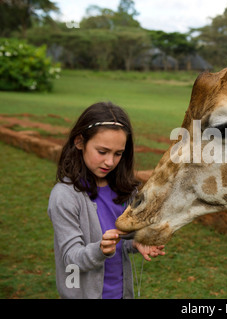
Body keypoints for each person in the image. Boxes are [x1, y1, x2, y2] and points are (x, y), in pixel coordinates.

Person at [48, 102, 165, 299]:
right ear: (79, 142)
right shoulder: (64, 196)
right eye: (102, 152)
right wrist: (100, 249)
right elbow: (71, 258)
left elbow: (120, 243)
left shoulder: (125, 191)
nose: (110, 162)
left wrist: (136, 242)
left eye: (118, 154)